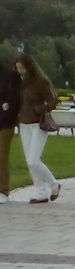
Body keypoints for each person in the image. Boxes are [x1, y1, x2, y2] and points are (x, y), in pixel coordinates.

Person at [15, 55, 59, 204]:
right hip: (24, 125)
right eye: (18, 68)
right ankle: (41, 192)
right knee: (30, 162)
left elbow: (53, 101)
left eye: (22, 68)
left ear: (29, 67)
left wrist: (39, 109)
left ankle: (53, 184)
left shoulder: (41, 81)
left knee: (34, 160)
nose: (20, 71)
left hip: (38, 125)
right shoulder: (20, 83)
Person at [0, 60, 21, 204]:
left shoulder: (10, 76)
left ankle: (3, 190)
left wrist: (6, 113)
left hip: (5, 123)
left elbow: (14, 102)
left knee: (1, 156)